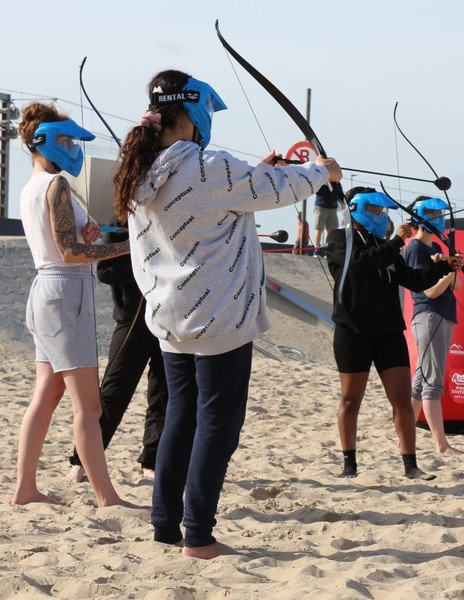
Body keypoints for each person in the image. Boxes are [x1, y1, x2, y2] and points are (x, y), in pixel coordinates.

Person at [113, 69, 341, 559]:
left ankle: (165, 526)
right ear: (192, 114)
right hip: (216, 318)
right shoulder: (208, 166)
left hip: (170, 315)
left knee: (180, 416)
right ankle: (198, 535)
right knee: (217, 424)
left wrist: (260, 172)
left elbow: (213, 199)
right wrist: (323, 171)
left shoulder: (140, 168)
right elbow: (279, 188)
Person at [13, 102, 138, 508]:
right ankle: (107, 497)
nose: (71, 147)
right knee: (89, 406)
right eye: (66, 140)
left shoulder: (31, 186)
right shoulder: (57, 185)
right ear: (45, 141)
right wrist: (129, 247)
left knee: (46, 396)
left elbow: (63, 244)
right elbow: (70, 253)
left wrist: (90, 235)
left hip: (46, 291)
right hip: (67, 293)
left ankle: (25, 489)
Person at [326, 187, 463, 479]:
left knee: (401, 399)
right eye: (374, 209)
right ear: (355, 209)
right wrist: (396, 241)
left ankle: (410, 465)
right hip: (353, 331)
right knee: (350, 400)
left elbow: (413, 280)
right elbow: (361, 264)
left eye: (381, 210)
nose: (380, 214)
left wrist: (443, 268)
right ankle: (349, 464)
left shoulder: (385, 245)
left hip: (388, 330)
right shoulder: (339, 238)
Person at [65, 224, 168, 482]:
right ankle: (81, 461)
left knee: (163, 393)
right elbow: (106, 271)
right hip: (132, 322)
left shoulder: (169, 216)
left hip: (169, 317)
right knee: (114, 392)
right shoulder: (119, 223)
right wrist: (150, 264)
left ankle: (152, 461)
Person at [404, 196, 464, 456]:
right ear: (419, 217)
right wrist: (446, 270)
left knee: (420, 382)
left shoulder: (436, 246)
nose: (437, 218)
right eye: (431, 213)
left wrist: (454, 268)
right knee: (432, 382)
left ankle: (403, 436)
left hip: (444, 315)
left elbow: (456, 286)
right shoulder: (416, 248)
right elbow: (428, 291)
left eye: (439, 213)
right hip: (429, 315)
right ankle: (442, 445)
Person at [312, 185, 339, 256]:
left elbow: (339, 192)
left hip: (333, 207)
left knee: (331, 230)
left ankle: (329, 251)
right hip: (321, 206)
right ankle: (316, 250)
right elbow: (316, 189)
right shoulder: (321, 180)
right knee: (319, 228)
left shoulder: (336, 182)